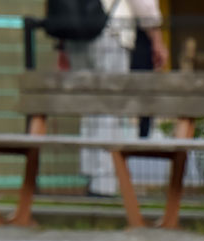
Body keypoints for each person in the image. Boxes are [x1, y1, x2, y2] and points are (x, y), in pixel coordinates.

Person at [62, 0, 168, 196]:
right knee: (108, 110)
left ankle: (92, 177)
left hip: (77, 31)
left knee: (89, 110)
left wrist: (61, 45)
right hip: (111, 30)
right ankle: (103, 185)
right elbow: (143, 4)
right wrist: (156, 38)